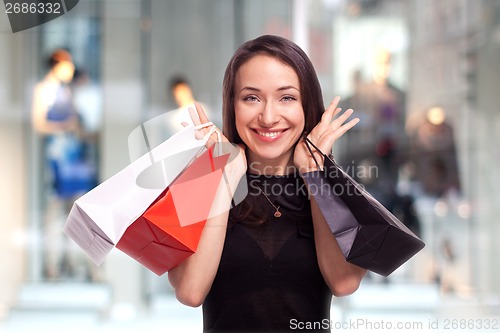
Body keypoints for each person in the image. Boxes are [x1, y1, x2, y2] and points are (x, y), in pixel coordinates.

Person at [167, 35, 366, 332]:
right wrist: (223, 179)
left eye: (287, 97)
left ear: (306, 105)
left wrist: (314, 176)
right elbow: (190, 292)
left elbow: (344, 282)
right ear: (232, 106)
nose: (269, 117)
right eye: (251, 98)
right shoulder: (198, 184)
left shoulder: (335, 189)